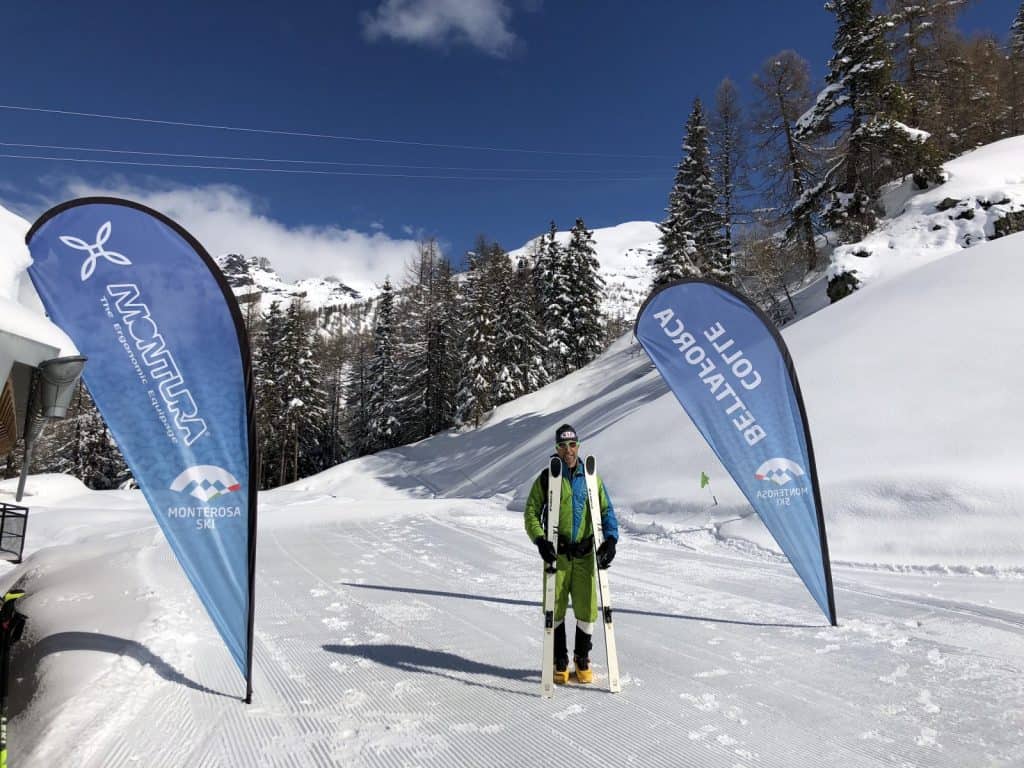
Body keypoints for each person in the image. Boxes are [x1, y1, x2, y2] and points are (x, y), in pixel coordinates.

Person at [524, 423, 618, 684]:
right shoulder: (548, 478)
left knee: (587, 607)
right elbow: (531, 511)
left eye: (573, 444)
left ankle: (582, 657)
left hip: (585, 553)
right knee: (554, 607)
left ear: (578, 445)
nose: (569, 450)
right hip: (557, 553)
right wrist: (540, 540)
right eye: (563, 445)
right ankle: (560, 658)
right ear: (557, 448)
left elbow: (607, 510)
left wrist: (610, 540)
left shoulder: (591, 478)